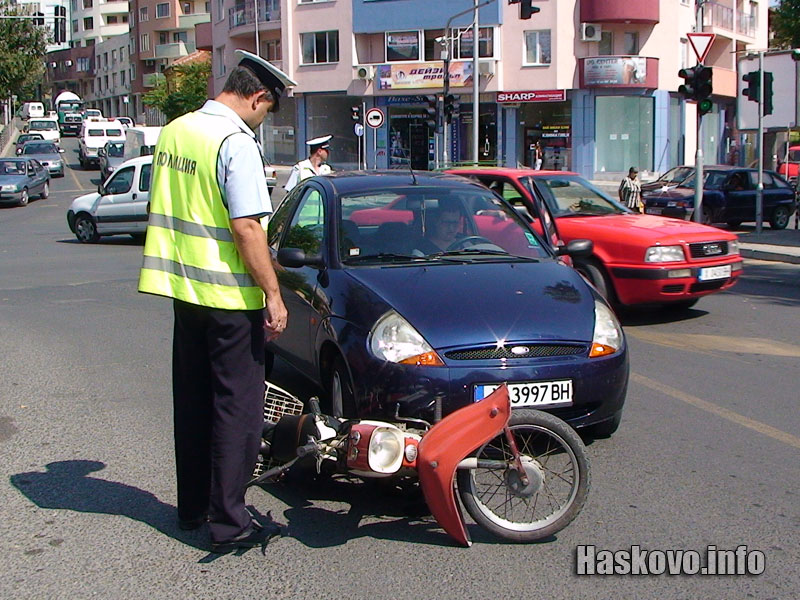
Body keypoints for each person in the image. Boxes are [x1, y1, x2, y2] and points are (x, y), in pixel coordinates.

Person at [138, 49, 294, 553]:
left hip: (184, 291)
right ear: (257, 97)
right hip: (229, 296)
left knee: (194, 402)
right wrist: (273, 294)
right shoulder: (234, 140)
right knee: (238, 412)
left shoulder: (177, 130)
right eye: (267, 111)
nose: (263, 121)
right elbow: (247, 225)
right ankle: (230, 523)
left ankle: (192, 509)